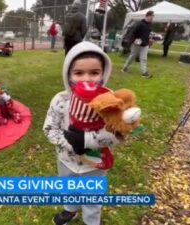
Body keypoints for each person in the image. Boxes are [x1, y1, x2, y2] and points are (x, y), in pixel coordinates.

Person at [43, 41, 122, 225]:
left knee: (92, 198)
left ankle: (92, 221)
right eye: (79, 73)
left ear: (103, 74)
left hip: (94, 165)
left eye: (94, 73)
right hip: (66, 160)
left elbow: (117, 134)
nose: (87, 79)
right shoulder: (60, 100)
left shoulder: (109, 102)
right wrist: (70, 142)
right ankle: (70, 211)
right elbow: (49, 129)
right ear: (69, 75)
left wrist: (86, 140)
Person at [121, 11, 154, 78]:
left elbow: (148, 34)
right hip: (136, 44)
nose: (153, 17)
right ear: (147, 16)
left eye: (153, 16)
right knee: (132, 56)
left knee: (143, 58)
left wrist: (150, 39)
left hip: (145, 44)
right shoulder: (139, 24)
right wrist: (132, 41)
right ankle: (125, 67)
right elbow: (132, 33)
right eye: (152, 16)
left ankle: (144, 72)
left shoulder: (149, 25)